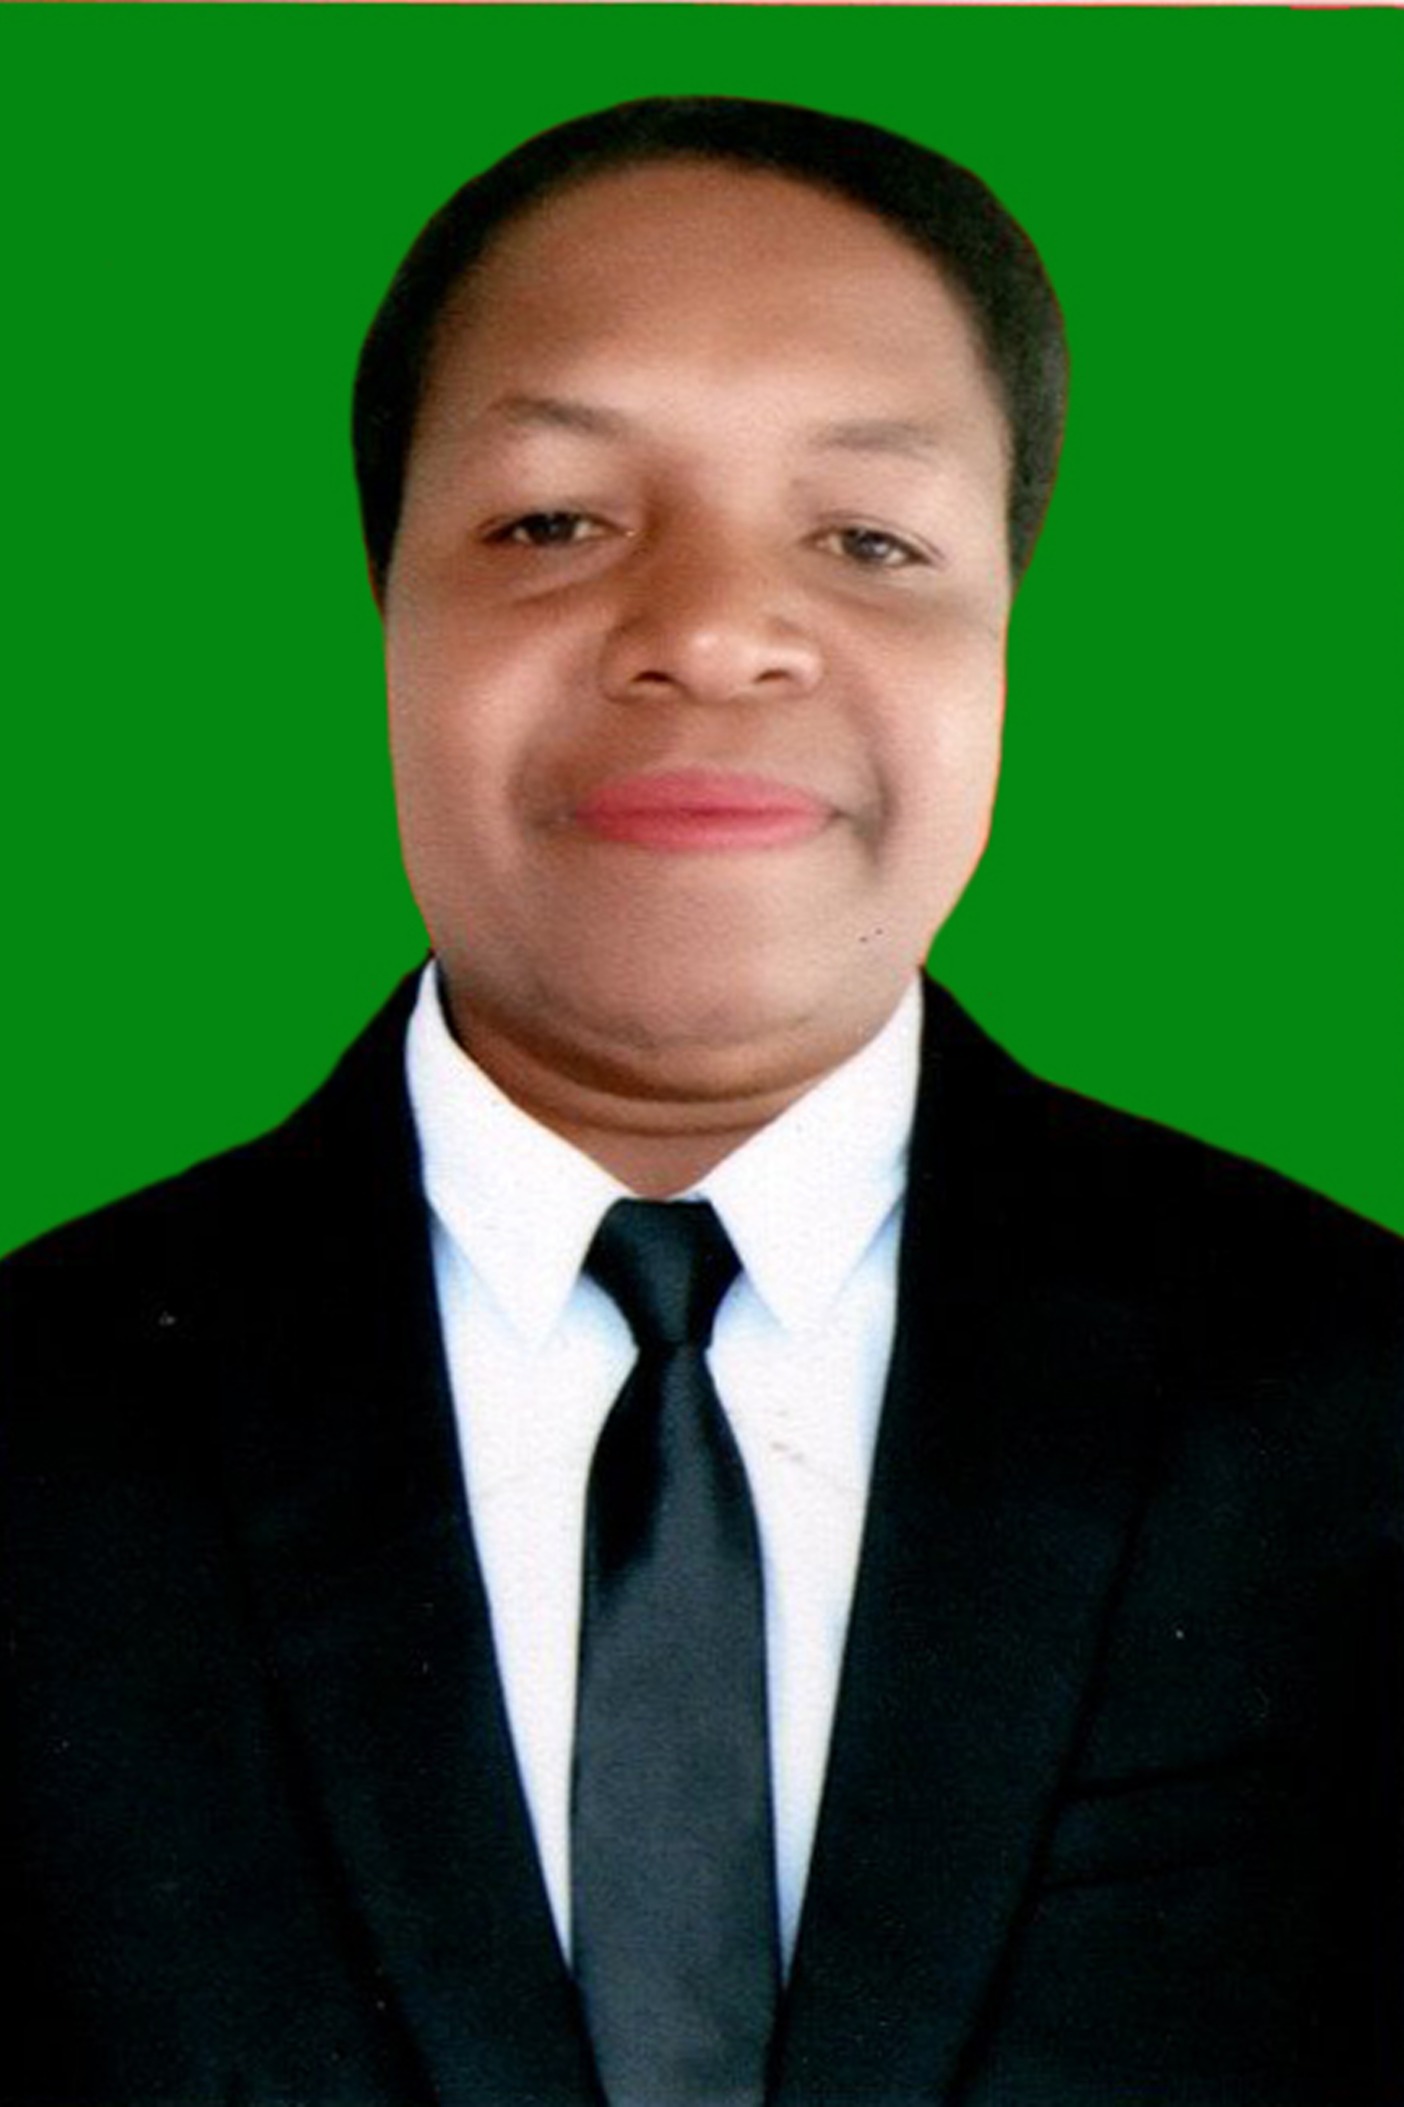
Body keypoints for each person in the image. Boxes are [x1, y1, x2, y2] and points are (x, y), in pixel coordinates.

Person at [1, 95, 1399, 2107]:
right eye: (553, 522)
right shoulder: (41, 1424)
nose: (712, 633)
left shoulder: (1351, 1398)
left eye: (869, 539)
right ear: (384, 603)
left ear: (1008, 625)